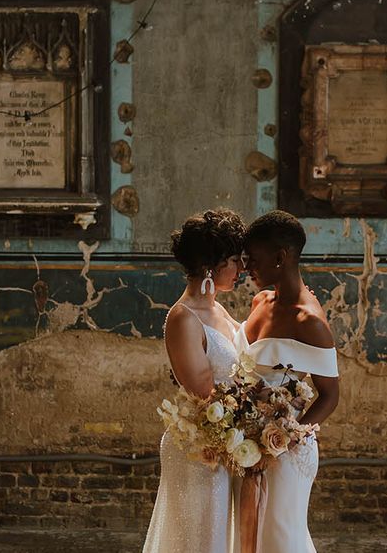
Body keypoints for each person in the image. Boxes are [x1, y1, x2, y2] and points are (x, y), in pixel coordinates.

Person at [235, 210, 340, 553]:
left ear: (280, 257)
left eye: (253, 258)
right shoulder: (260, 300)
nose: (246, 265)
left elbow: (329, 397)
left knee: (280, 536)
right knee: (252, 535)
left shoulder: (309, 321)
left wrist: (281, 441)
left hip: (286, 451)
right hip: (246, 442)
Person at [143, 208, 245, 553]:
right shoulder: (183, 318)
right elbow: (203, 392)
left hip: (224, 443)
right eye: (234, 260)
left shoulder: (218, 310)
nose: (241, 269)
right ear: (210, 268)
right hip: (200, 449)